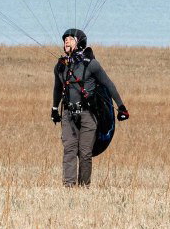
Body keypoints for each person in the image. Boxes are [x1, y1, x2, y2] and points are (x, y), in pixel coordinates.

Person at [52, 28, 129, 187]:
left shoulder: (92, 64)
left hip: (88, 113)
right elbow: (57, 89)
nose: (66, 41)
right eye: (65, 39)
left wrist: (121, 107)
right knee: (69, 150)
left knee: (85, 153)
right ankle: (68, 187)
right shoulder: (60, 66)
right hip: (68, 113)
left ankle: (84, 187)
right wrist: (54, 109)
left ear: (79, 42)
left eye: (70, 38)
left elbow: (108, 84)